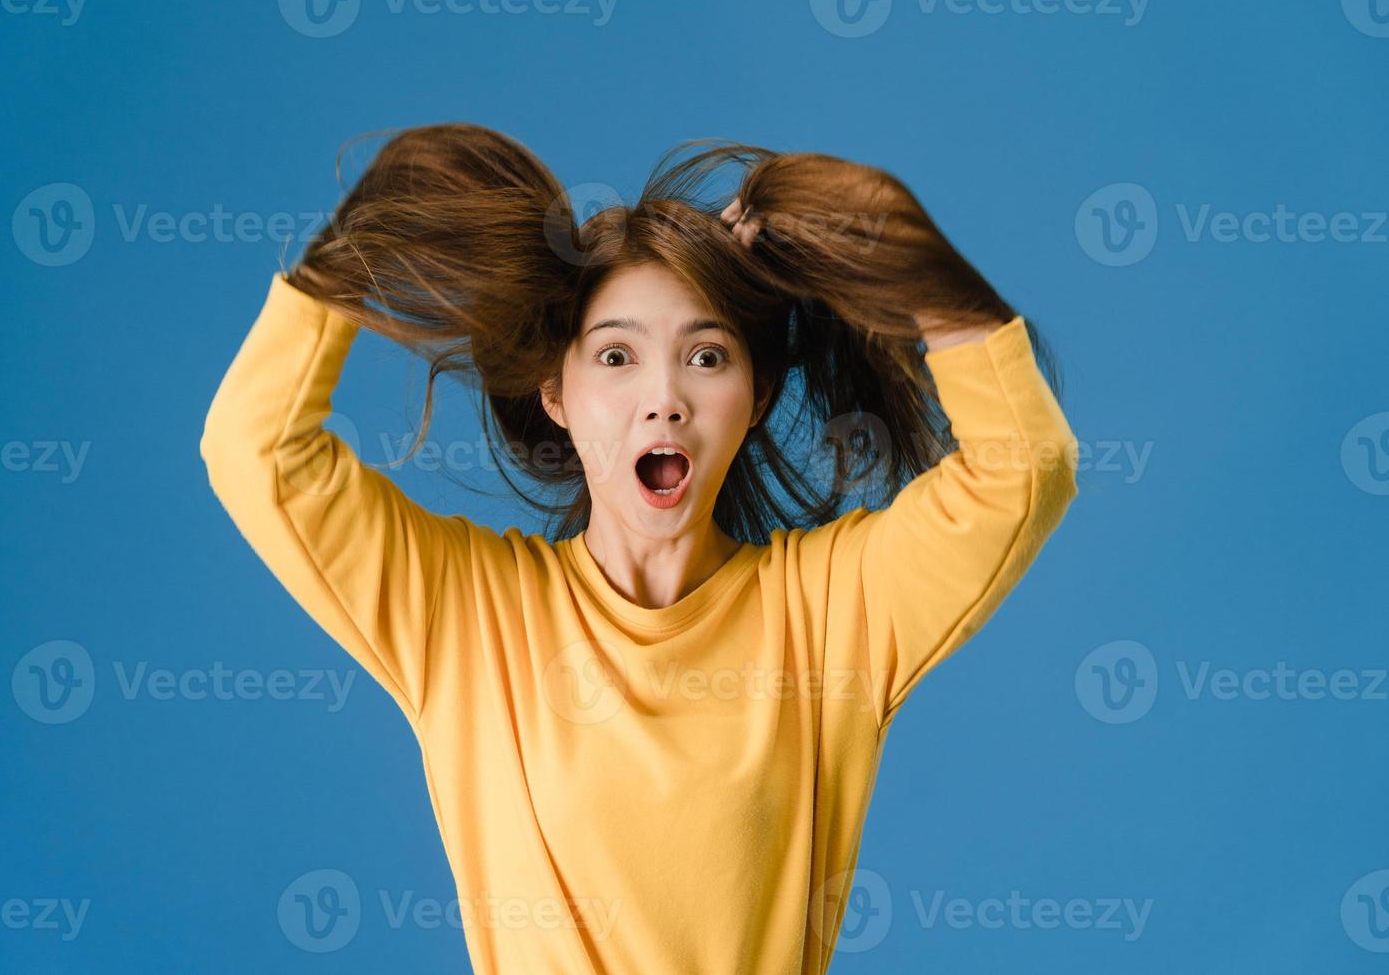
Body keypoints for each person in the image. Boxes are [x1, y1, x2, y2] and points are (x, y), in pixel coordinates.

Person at [199, 122, 1079, 973]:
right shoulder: (465, 617)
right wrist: (365, 244)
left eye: (706, 357)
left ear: (758, 394)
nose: (664, 399)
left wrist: (871, 237)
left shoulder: (827, 619)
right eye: (616, 358)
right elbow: (257, 450)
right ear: (556, 391)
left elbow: (1024, 473)